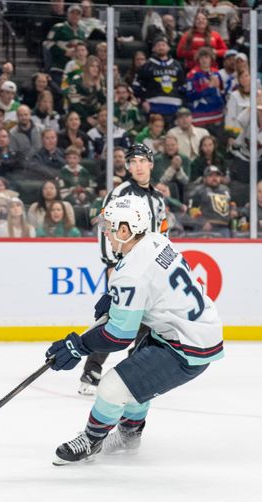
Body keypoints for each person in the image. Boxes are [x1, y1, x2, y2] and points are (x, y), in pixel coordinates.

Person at [47, 194, 224, 465]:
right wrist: (118, 298)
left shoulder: (130, 273)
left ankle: (92, 440)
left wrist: (78, 345)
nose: (106, 231)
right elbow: (152, 286)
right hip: (191, 330)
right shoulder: (156, 240)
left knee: (111, 388)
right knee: (132, 379)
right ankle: (130, 435)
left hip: (186, 345)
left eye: (109, 226)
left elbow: (118, 335)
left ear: (126, 229)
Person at [77, 143, 167, 396]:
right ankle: (92, 369)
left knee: (148, 323)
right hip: (126, 267)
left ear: (151, 164)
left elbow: (162, 232)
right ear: (128, 166)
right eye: (133, 161)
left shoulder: (158, 198)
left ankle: (136, 370)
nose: (137, 166)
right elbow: (106, 227)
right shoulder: (121, 193)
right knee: (116, 319)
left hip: (150, 270)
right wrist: (111, 264)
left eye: (142, 160)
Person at [188, 165, 235, 236]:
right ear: (204, 179)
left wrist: (233, 210)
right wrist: (202, 222)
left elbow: (232, 203)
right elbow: (191, 209)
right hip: (206, 227)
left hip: (225, 227)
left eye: (217, 176)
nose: (214, 178)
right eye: (211, 176)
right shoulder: (198, 191)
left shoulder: (226, 190)